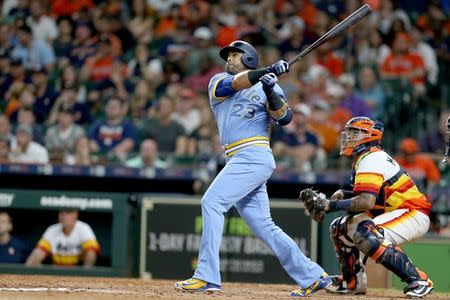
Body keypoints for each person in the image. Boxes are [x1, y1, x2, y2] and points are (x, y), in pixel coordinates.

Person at [174, 40, 330, 296]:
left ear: (248, 58)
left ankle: (206, 276)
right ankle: (313, 276)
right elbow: (234, 84)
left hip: (254, 155)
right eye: (229, 56)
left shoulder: (269, 84)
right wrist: (267, 71)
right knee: (264, 226)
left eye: (236, 55)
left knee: (211, 203)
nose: (230, 59)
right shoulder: (218, 81)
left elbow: (285, 118)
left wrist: (270, 89)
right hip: (239, 158)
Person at [306, 117, 433, 298]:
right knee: (339, 229)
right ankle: (353, 282)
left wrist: (329, 205)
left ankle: (419, 279)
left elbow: (366, 202)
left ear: (370, 136)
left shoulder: (372, 158)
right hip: (395, 211)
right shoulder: (368, 157)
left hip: (413, 213)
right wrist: (345, 194)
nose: (349, 136)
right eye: (349, 131)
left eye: (355, 132)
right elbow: (377, 197)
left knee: (367, 233)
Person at [25, 209, 100, 267]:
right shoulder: (52, 229)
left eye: (67, 214)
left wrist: (85, 275)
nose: (64, 217)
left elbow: (91, 254)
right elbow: (37, 254)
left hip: (78, 272)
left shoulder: (83, 228)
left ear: (75, 215)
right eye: (62, 213)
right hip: (56, 274)